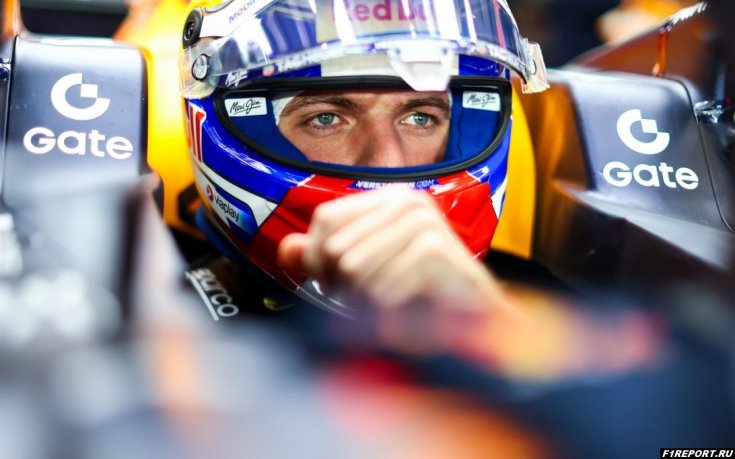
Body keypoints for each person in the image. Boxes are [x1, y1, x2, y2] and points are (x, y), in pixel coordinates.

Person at [178, 0, 549, 323]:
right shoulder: (159, 327)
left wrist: (483, 329)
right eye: (326, 119)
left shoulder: (545, 319)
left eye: (420, 118)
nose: (389, 167)